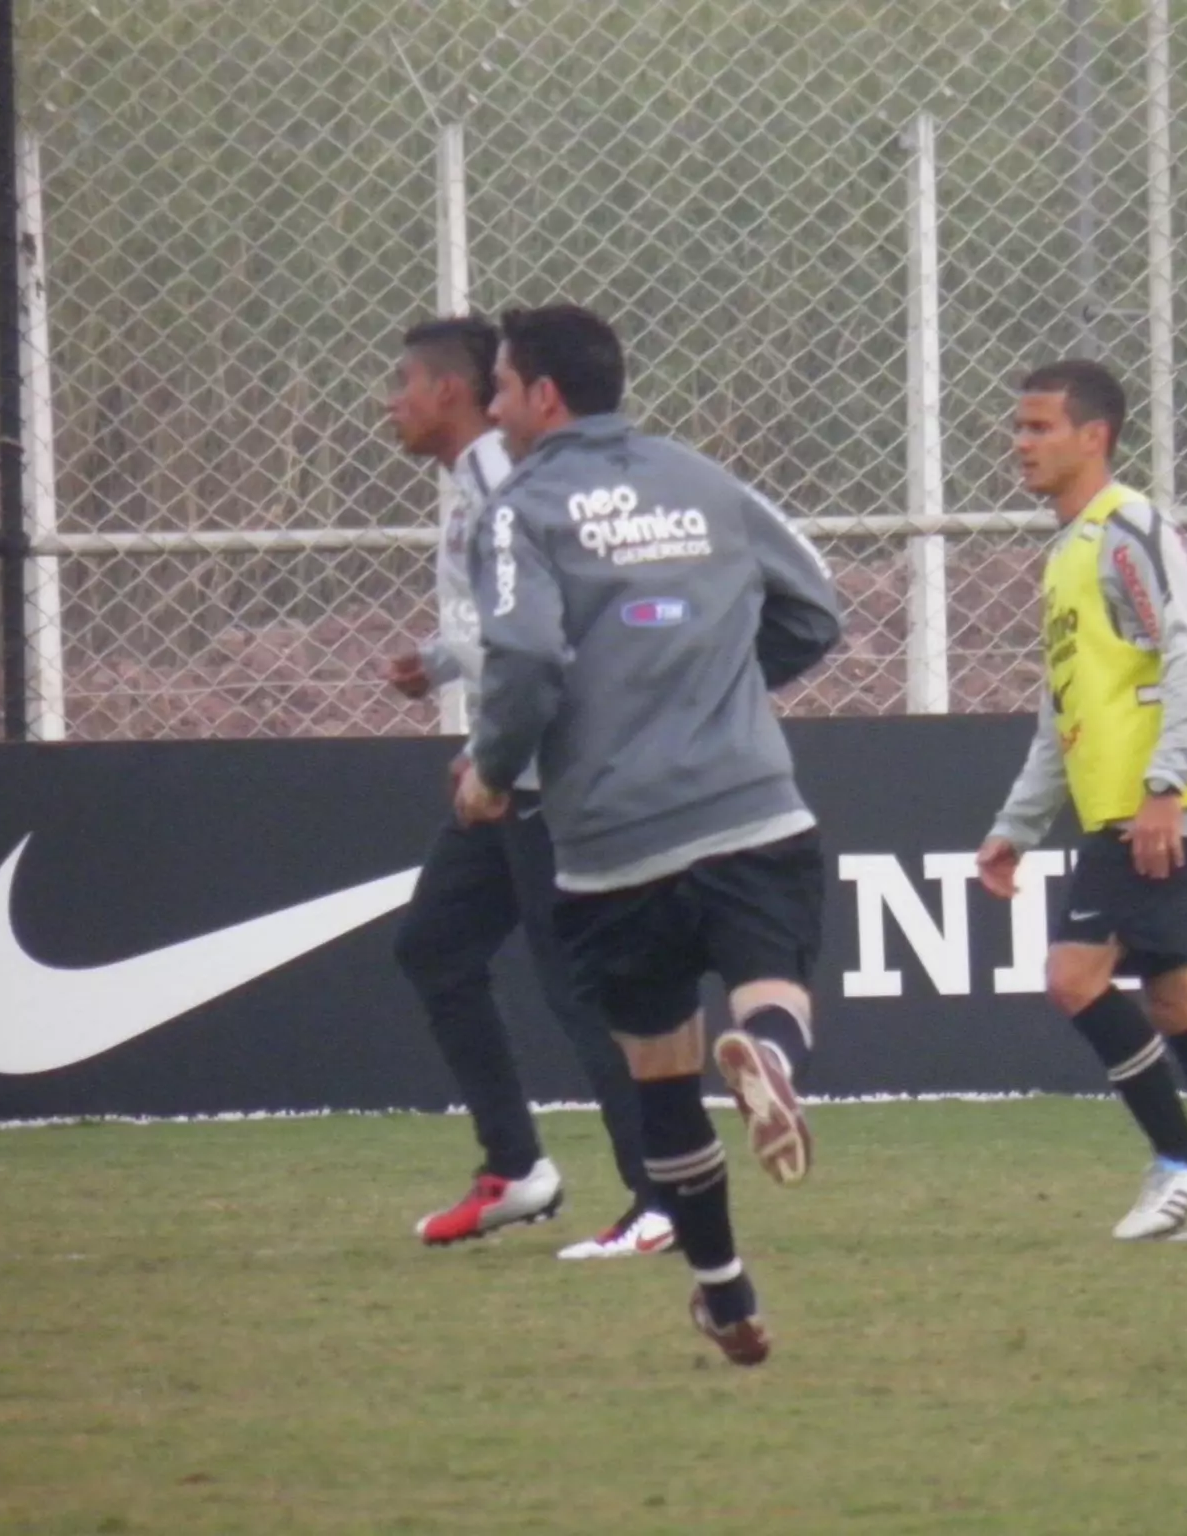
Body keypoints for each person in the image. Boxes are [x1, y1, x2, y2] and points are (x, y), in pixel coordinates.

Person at [455, 303, 842, 1366]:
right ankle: (766, 1056)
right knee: (773, 991)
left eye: (497, 388)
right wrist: (718, 692)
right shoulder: (705, 480)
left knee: (659, 1069)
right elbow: (814, 609)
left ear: (542, 396)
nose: (490, 410)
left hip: (613, 840)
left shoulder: (520, 509)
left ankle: (725, 1295)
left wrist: (492, 771)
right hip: (747, 802)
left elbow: (526, 662)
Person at [975, 359, 1187, 1244]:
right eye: (1019, 427)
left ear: (1096, 437)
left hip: (1152, 806)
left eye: (1039, 428)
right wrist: (1017, 826)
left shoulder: (1128, 528)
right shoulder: (1067, 553)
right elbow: (1064, 712)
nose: (1021, 444)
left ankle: (1184, 1157)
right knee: (1178, 1002)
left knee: (1073, 977)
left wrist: (1164, 787)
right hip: (1123, 802)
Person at [382, 314, 673, 1261]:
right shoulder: (474, 487)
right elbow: (497, 627)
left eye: (403, 384)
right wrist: (438, 665)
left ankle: (662, 1197)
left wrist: (496, 752)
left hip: (543, 774)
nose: (391, 402)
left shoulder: (509, 485)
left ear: (451, 395)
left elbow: (542, 635)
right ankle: (516, 1168)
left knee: (578, 985)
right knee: (434, 946)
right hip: (505, 768)